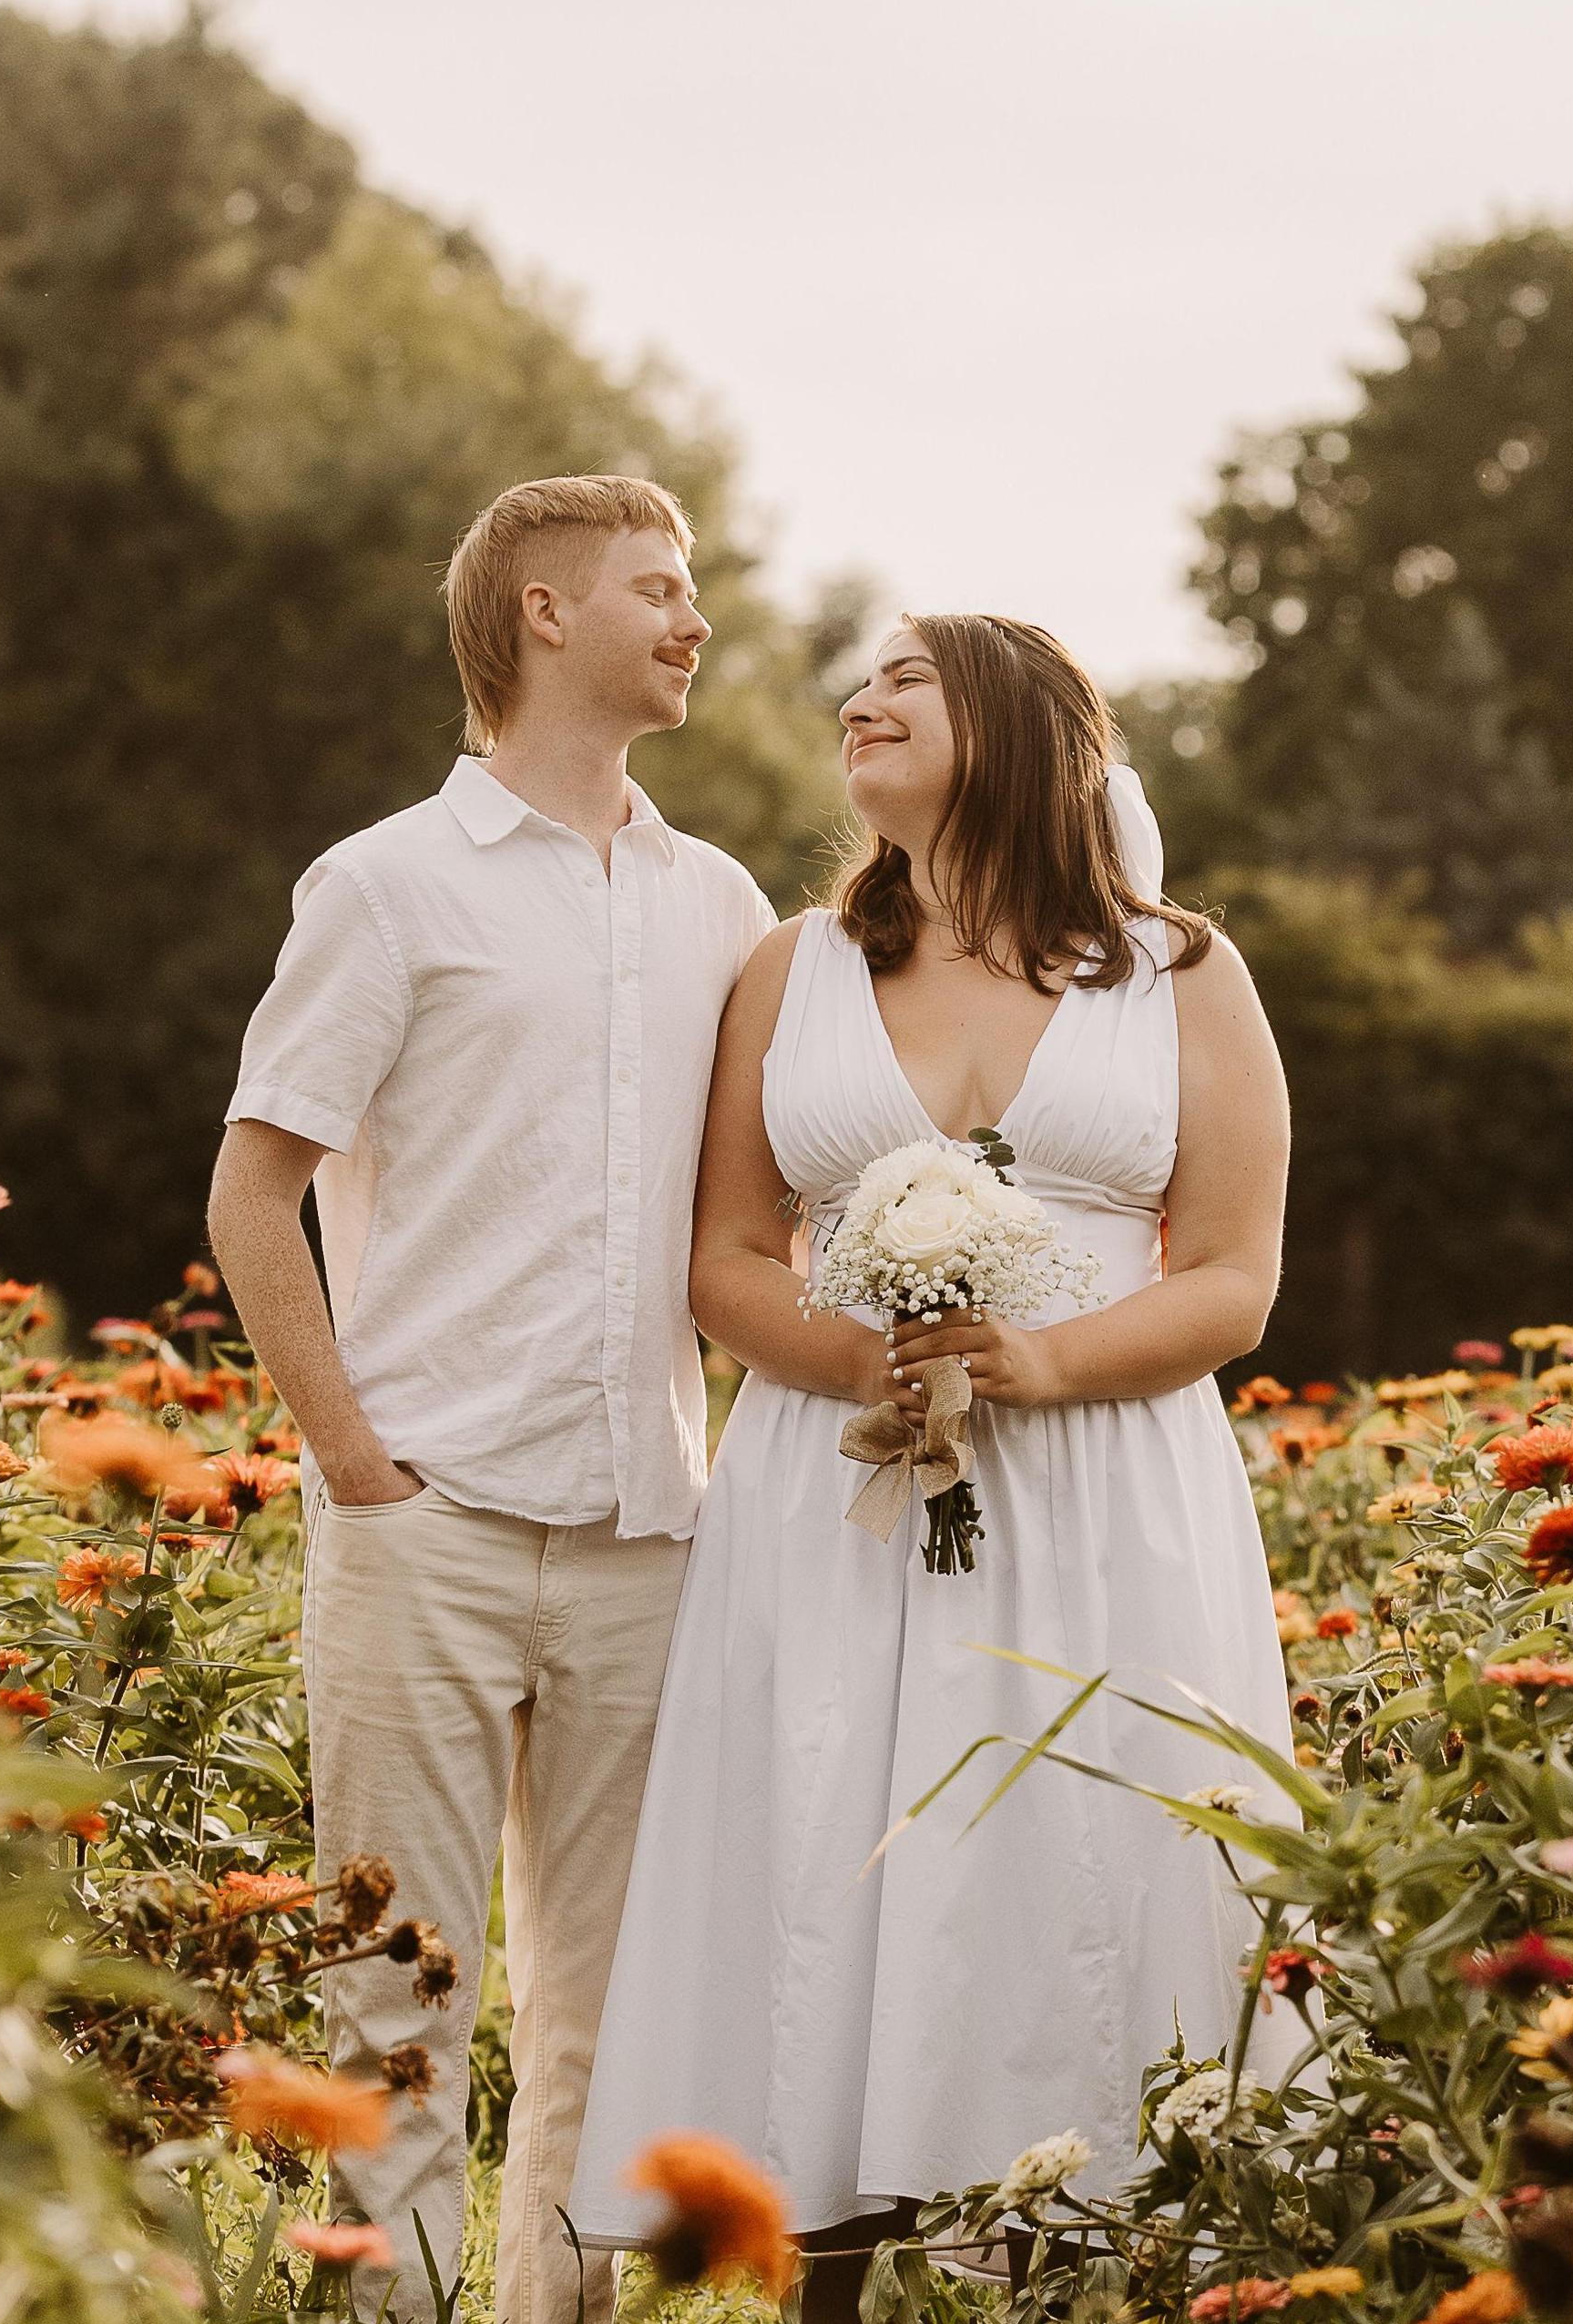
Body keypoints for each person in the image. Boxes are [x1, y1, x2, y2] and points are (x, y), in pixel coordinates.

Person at [569, 611, 1304, 2319]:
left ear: (1020, 724)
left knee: (1085, 1852)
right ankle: (818, 2276)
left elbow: (1231, 1276)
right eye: (859, 679)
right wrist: (861, 1364)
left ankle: (1094, 2268)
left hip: (1108, 1488)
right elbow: (731, 1249)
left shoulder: (1179, 970)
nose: (862, 697)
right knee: (825, 1831)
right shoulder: (789, 966)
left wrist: (1031, 1360)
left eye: (909, 676)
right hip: (837, 1487)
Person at [205, 475, 776, 2324]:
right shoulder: (386, 884)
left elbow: (760, 1214)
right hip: (425, 1525)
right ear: (544, 614)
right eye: (659, 589)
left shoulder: (723, 906)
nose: (695, 621)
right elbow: (249, 1190)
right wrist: (356, 1464)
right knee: (399, 2014)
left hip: (646, 1536)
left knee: (613, 2027)